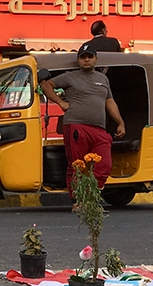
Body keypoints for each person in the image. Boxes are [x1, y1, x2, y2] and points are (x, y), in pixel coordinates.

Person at [39, 43, 125, 205]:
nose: (86, 60)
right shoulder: (69, 77)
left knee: (104, 165)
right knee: (77, 165)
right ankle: (78, 200)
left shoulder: (103, 79)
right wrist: (60, 102)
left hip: (99, 129)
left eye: (89, 57)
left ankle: (90, 196)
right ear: (78, 60)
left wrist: (120, 122)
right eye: (83, 57)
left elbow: (110, 102)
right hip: (76, 126)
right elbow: (46, 85)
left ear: (95, 59)